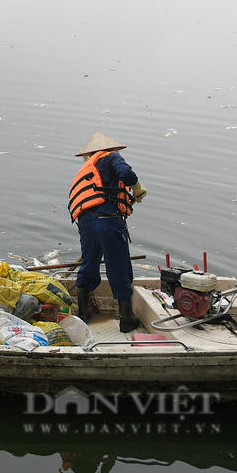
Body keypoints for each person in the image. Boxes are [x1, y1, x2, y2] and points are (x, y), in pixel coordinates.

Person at [68, 131, 148, 333]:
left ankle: (83, 313)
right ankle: (126, 319)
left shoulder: (89, 166)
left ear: (88, 153)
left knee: (88, 264)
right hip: (109, 224)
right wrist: (137, 189)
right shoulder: (112, 156)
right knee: (119, 268)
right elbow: (127, 175)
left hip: (87, 224)